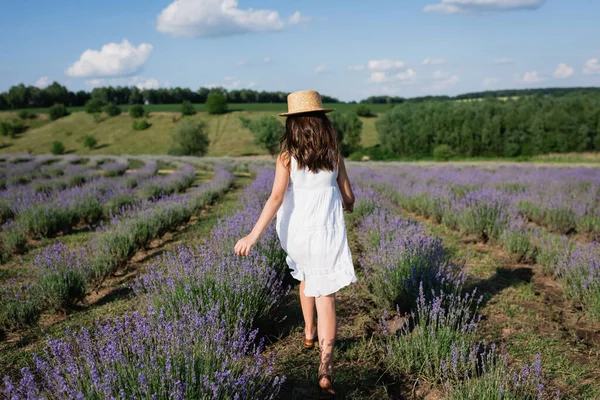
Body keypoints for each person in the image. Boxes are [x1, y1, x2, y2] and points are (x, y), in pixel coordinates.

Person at [234, 90, 358, 396]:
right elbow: (348, 194)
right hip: (326, 234)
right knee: (325, 295)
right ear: (321, 124)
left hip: (297, 233)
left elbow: (276, 198)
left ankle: (307, 332)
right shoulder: (333, 155)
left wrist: (253, 235)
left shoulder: (287, 158)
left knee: (304, 275)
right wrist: (347, 202)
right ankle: (325, 367)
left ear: (293, 126)